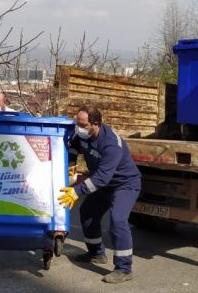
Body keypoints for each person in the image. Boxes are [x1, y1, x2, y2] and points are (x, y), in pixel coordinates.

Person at [57, 106, 142, 284]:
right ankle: (96, 254)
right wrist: (72, 162)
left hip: (124, 184)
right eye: (77, 124)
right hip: (104, 184)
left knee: (118, 221)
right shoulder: (83, 134)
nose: (79, 129)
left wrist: (76, 191)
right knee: (87, 212)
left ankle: (124, 268)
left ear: (96, 124)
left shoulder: (111, 143)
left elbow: (102, 178)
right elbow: (73, 145)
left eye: (83, 125)